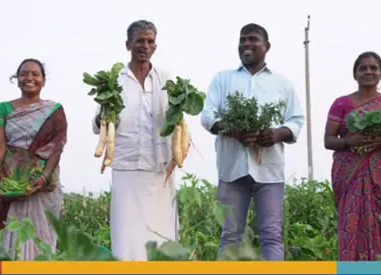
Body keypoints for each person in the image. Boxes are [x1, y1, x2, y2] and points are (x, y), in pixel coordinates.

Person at [199, 23, 305, 261]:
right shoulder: (222, 79)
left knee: (271, 235)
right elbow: (207, 116)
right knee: (230, 235)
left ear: (266, 47)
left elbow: (297, 120)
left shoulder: (282, 83)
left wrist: (277, 134)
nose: (246, 44)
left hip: (269, 171)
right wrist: (232, 130)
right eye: (242, 40)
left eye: (253, 39)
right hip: (232, 170)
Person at [94, 20, 179, 261]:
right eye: (140, 41)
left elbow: (174, 118)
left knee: (161, 229)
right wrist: (104, 116)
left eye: (150, 41)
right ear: (128, 44)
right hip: (125, 164)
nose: (145, 45)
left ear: (155, 45)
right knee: (126, 231)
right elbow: (96, 124)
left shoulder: (165, 79)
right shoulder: (114, 80)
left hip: (160, 166)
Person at [324, 52, 381, 261]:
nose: (368, 71)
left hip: (378, 179)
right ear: (355, 74)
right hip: (348, 176)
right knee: (350, 228)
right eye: (363, 68)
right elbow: (328, 140)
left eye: (373, 68)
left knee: (380, 228)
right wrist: (348, 142)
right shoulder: (341, 104)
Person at [0, 58, 67, 260]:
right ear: (17, 79)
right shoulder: (3, 108)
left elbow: (57, 148)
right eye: (24, 74)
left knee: (42, 238)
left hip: (43, 184)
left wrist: (44, 177)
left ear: (43, 80)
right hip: (13, 183)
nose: (29, 78)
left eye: (35, 74)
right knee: (14, 237)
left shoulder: (54, 111)